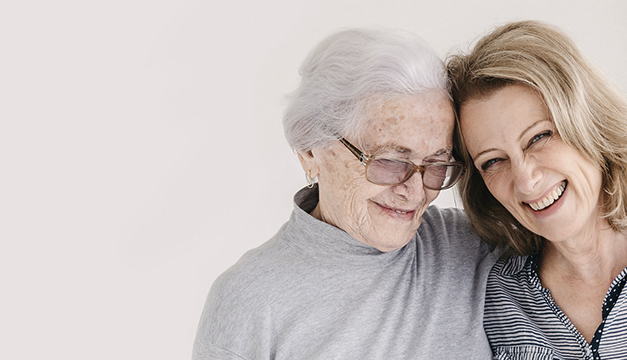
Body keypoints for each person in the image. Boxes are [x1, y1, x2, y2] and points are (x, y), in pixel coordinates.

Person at [193, 28, 503, 360]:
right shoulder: (249, 299)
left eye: (436, 164)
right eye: (390, 161)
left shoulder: (478, 245)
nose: (415, 192)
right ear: (311, 149)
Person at [448, 20, 627, 359]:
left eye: (539, 137)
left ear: (588, 122)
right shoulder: (496, 297)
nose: (526, 180)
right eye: (493, 161)